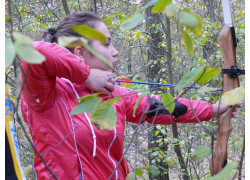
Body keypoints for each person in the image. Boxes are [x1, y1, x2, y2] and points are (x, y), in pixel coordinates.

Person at [21, 12, 241, 180]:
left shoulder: (111, 95)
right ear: (80, 52)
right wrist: (86, 75)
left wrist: (212, 109)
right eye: (106, 43)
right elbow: (35, 52)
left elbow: (157, 107)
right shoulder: (46, 95)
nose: (115, 51)